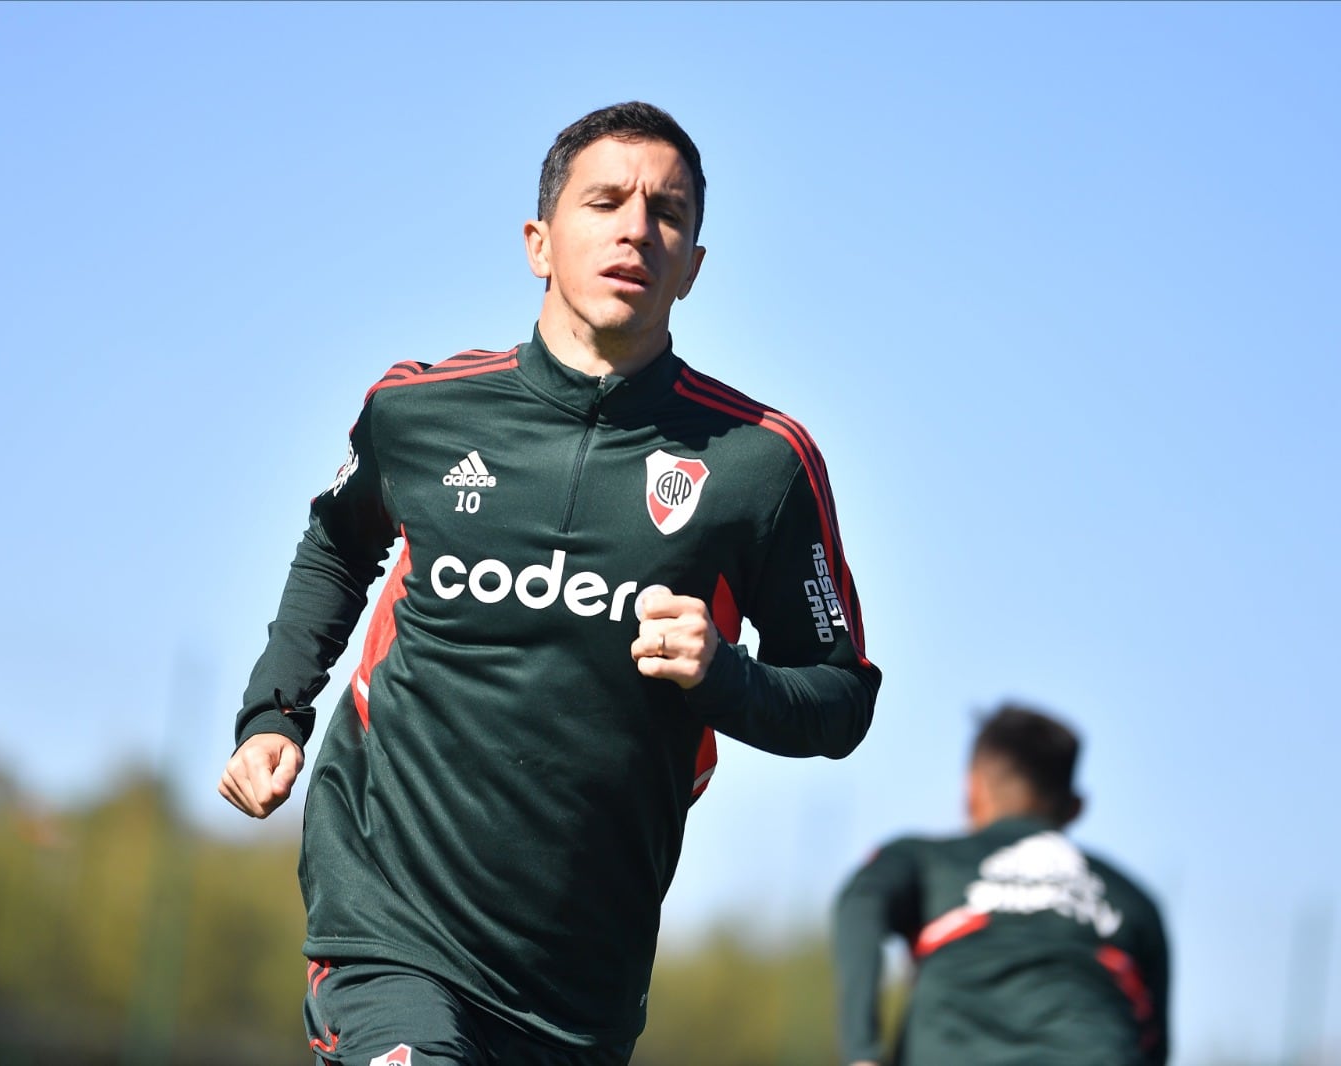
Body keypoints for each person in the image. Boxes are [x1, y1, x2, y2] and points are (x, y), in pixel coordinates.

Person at [219, 101, 881, 1066]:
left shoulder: (760, 465)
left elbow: (839, 700)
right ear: (539, 242)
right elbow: (336, 544)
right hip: (388, 923)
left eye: (668, 213)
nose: (635, 229)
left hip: (580, 986)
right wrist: (275, 712)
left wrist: (723, 676)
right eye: (605, 201)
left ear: (695, 264)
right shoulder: (418, 413)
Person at [832, 704, 1169, 1066]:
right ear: (1075, 808)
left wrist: (862, 1053)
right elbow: (1154, 1045)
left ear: (972, 790)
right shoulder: (1133, 901)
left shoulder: (927, 860)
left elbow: (860, 902)